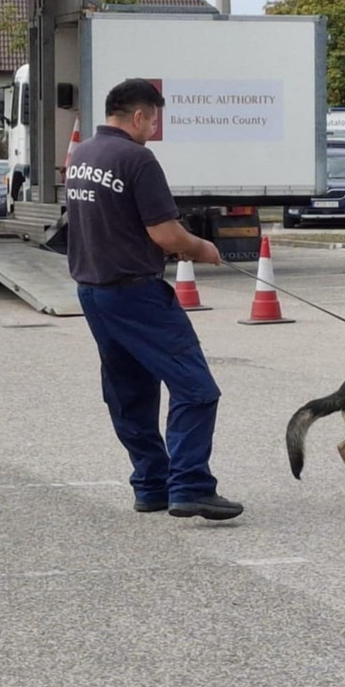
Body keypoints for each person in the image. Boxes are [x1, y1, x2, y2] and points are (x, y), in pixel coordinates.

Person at [65, 78, 243, 521]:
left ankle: (151, 485)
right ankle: (191, 486)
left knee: (130, 393)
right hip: (136, 293)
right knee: (196, 388)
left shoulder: (83, 155)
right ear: (139, 115)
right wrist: (201, 247)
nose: (154, 130)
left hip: (94, 291)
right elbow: (166, 234)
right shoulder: (137, 159)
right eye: (154, 121)